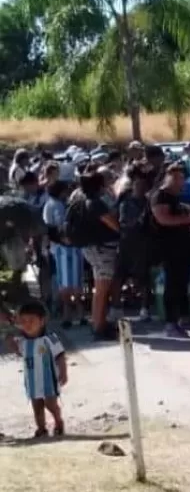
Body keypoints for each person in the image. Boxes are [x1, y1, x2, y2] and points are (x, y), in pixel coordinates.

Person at [5, 301, 67, 437]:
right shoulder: (23, 341)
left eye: (31, 320)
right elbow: (18, 351)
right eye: (23, 321)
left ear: (42, 321)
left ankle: (58, 421)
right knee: (37, 407)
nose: (27, 324)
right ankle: (41, 428)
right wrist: (10, 342)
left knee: (51, 404)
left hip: (49, 380)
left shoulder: (49, 339)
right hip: (32, 382)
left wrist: (63, 372)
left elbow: (60, 355)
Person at [150, 163, 190, 338]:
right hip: (169, 249)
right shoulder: (160, 196)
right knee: (172, 285)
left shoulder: (178, 197)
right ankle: (170, 322)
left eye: (181, 177)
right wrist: (188, 219)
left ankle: (181, 319)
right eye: (174, 177)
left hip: (183, 248)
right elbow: (163, 219)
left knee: (181, 284)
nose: (178, 180)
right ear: (166, 177)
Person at [75, 171, 121, 339]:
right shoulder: (96, 204)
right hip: (102, 250)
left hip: (93, 249)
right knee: (102, 289)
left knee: (101, 288)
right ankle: (98, 327)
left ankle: (99, 324)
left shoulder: (82, 201)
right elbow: (114, 224)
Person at [113, 164, 153, 323]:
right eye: (137, 183)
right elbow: (121, 220)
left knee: (144, 277)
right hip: (125, 242)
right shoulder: (124, 200)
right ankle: (116, 307)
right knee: (118, 276)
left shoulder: (148, 202)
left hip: (143, 243)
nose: (140, 186)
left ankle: (145, 309)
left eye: (143, 184)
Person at [43, 180, 84, 329]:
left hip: (68, 248)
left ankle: (78, 314)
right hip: (63, 249)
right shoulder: (54, 206)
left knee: (72, 281)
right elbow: (53, 229)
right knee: (68, 283)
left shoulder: (57, 204)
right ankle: (70, 314)